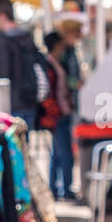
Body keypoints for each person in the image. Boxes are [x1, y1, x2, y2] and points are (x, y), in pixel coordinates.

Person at [0, 0, 39, 132]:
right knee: (25, 143)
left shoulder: (4, 41)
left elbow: (3, 74)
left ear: (1, 15)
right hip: (30, 97)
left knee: (15, 146)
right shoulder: (27, 37)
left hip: (13, 100)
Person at [40, 31, 77, 200]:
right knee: (64, 154)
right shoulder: (49, 64)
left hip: (60, 112)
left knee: (57, 154)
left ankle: (54, 188)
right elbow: (48, 92)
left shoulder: (55, 62)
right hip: (58, 114)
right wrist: (54, 111)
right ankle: (65, 189)